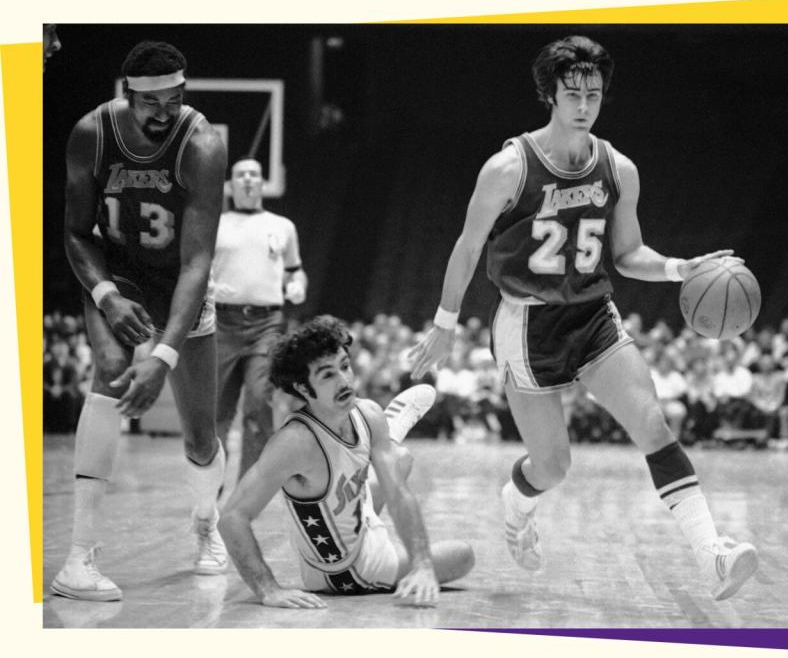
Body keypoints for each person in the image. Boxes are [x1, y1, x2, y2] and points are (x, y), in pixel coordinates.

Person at [409, 35, 757, 600]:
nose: (584, 104)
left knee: (653, 426)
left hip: (594, 316)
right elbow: (468, 247)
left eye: (593, 93)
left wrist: (681, 268)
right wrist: (444, 325)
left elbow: (627, 254)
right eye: (572, 92)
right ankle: (516, 503)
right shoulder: (508, 167)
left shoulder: (619, 168)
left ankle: (711, 553)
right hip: (527, 325)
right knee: (553, 467)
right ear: (550, 93)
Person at [52, 41, 228, 602]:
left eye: (174, 99)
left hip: (180, 279)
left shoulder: (201, 144)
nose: (165, 112)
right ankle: (78, 558)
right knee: (108, 370)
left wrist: (165, 355)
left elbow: (198, 260)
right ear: (128, 95)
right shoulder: (90, 134)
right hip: (118, 275)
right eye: (152, 103)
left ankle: (206, 525)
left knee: (201, 434)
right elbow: (77, 233)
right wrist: (104, 294)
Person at [219, 316, 474, 608]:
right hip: (347, 573)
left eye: (345, 366)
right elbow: (231, 518)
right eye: (328, 375)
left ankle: (387, 440)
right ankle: (388, 440)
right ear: (303, 388)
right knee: (464, 555)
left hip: (351, 517)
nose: (344, 381)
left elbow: (398, 495)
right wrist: (268, 589)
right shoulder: (294, 442)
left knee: (400, 462)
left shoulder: (367, 411)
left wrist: (422, 565)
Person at [212, 157, 307, 482]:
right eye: (241, 174)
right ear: (231, 184)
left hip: (266, 324)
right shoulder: (215, 223)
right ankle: (211, 485)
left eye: (254, 174)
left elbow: (296, 271)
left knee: (258, 401)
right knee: (217, 411)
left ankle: (247, 487)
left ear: (263, 182)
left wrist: (297, 286)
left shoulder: (282, 226)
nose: (249, 179)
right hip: (221, 323)